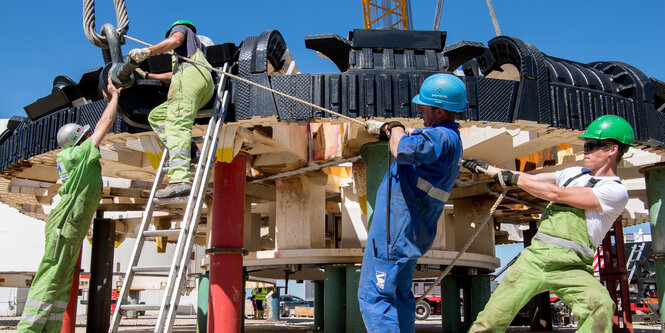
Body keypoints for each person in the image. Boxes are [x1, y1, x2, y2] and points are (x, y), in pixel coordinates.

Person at [466, 115, 634, 332]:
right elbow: (531, 179)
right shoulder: (573, 174)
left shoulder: (615, 191)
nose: (585, 150)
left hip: (572, 267)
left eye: (591, 146)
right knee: (490, 319)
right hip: (533, 260)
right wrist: (489, 169)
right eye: (585, 145)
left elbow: (559, 195)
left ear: (612, 149)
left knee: (600, 305)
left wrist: (516, 180)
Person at [358, 73, 467, 332]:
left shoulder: (440, 137)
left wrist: (394, 128)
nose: (420, 109)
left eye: (424, 106)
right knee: (398, 296)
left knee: (376, 297)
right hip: (410, 232)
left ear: (439, 111)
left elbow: (403, 150)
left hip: (396, 230)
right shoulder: (449, 140)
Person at [17, 77, 122, 332]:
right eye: (85, 135)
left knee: (62, 280)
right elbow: (104, 124)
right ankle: (27, 329)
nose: (89, 136)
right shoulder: (78, 154)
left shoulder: (75, 157)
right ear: (79, 140)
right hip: (65, 223)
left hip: (71, 223)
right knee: (51, 275)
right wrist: (115, 96)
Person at [128, 19, 214, 198]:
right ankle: (189, 149)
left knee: (177, 124)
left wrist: (147, 52)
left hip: (189, 81)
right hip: (203, 84)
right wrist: (149, 75)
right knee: (157, 116)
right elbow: (173, 75)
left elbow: (175, 40)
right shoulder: (195, 53)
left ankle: (179, 180)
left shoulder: (181, 29)